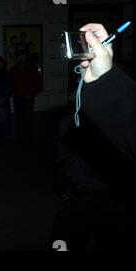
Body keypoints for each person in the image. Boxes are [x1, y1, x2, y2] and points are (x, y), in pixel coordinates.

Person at [50, 23, 136, 250]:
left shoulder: (117, 90)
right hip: (76, 197)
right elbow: (64, 143)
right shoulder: (82, 99)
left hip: (113, 201)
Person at [10, 51, 42, 142]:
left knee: (28, 118)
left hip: (28, 97)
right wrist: (12, 93)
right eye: (19, 57)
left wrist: (32, 94)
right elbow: (9, 83)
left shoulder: (32, 69)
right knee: (19, 118)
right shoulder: (13, 70)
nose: (21, 59)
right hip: (17, 97)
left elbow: (38, 84)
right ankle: (20, 137)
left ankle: (28, 137)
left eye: (22, 57)